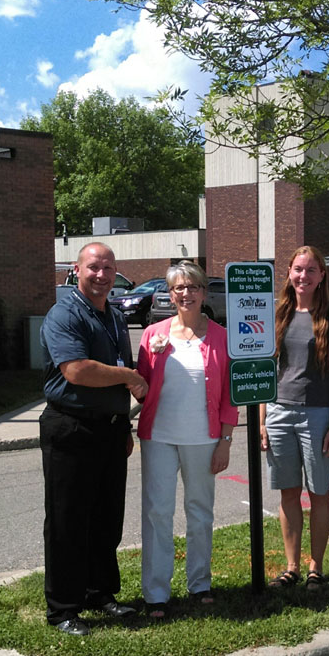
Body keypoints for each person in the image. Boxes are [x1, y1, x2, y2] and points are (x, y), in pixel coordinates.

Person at [40, 242, 148, 636]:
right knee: (68, 521)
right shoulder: (64, 314)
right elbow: (77, 370)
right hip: (70, 427)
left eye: (108, 268)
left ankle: (99, 593)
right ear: (77, 270)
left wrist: (123, 425)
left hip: (109, 428)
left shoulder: (115, 316)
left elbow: (118, 364)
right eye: (93, 268)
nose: (102, 275)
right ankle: (63, 609)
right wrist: (130, 378)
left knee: (105, 518)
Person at [136, 262, 238, 618]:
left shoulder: (222, 337)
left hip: (204, 437)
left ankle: (200, 584)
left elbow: (229, 394)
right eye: (178, 288)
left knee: (200, 513)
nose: (186, 293)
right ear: (170, 294)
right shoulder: (153, 334)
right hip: (159, 436)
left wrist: (225, 439)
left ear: (203, 293)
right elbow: (141, 386)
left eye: (192, 287)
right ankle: (156, 593)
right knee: (157, 513)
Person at [260, 245, 329, 591]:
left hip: (318, 414)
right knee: (288, 491)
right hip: (279, 411)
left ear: (321, 275)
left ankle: (316, 567)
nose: (303, 276)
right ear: (289, 272)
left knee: (319, 492)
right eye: (298, 269)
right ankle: (292, 566)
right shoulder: (277, 312)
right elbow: (265, 370)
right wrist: (263, 419)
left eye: (311, 270)